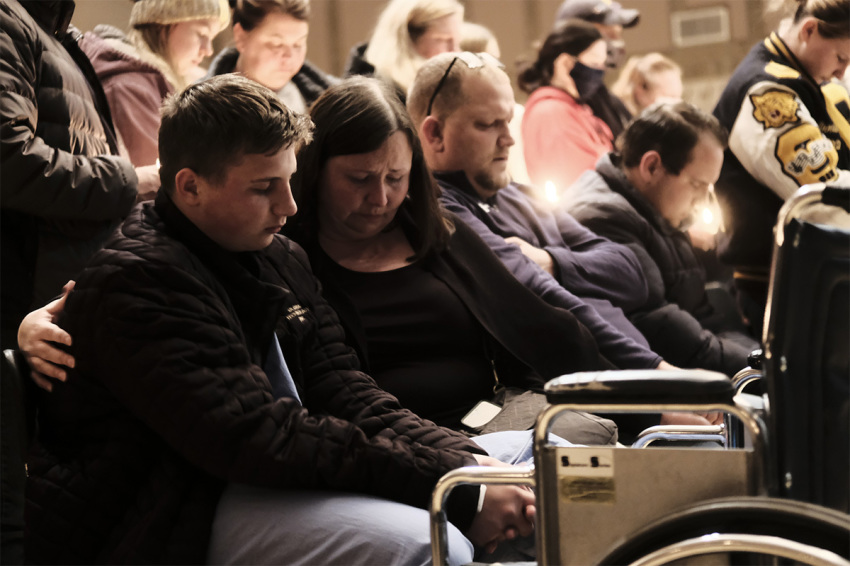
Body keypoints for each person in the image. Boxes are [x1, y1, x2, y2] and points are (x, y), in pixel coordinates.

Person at [23, 74, 535, 565]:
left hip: (262, 473)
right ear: (189, 186)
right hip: (176, 504)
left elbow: (347, 390)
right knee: (431, 541)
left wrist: (461, 465)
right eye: (265, 187)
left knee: (545, 459)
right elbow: (262, 439)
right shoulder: (140, 280)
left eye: (289, 181)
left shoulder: (278, 255)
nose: (289, 205)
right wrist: (454, 486)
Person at [281, 76, 618, 445]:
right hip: (393, 446)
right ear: (314, 171)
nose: (379, 198)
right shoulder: (287, 260)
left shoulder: (439, 233)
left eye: (396, 178)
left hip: (500, 422)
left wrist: (647, 402)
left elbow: (543, 327)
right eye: (359, 179)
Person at [408, 52, 722, 439]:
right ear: (434, 133)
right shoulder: (444, 211)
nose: (508, 139)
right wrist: (655, 385)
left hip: (632, 375)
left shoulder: (520, 196)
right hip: (593, 394)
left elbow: (633, 273)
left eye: (508, 121)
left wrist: (553, 261)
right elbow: (546, 304)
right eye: (487, 124)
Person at [0, 0, 159, 351]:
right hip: (24, 305)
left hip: (57, 297)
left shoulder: (52, 32)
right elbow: (9, 160)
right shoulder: (9, 20)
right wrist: (136, 179)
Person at [562, 102, 758, 377]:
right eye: (698, 185)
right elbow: (672, 337)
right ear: (652, 166)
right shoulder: (604, 218)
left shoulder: (652, 207)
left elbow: (701, 316)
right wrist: (764, 368)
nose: (703, 201)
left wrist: (759, 355)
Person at [712, 0, 850, 334]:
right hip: (781, 282)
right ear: (809, 30)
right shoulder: (767, 91)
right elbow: (821, 196)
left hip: (817, 272)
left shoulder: (811, 80)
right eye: (840, 58)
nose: (842, 72)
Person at [78, 0, 230, 167]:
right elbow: (155, 182)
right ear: (162, 23)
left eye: (211, 39)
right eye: (202, 34)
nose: (208, 50)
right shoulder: (131, 86)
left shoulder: (149, 81)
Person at [518, 20, 614, 192]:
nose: (599, 72)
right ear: (564, 64)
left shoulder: (571, 108)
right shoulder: (551, 114)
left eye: (602, 65)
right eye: (593, 65)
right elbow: (583, 184)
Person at [206, 0, 336, 115]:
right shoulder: (202, 109)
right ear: (241, 37)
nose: (289, 57)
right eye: (276, 44)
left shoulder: (331, 99)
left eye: (298, 44)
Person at [555, 0, 639, 138]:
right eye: (609, 35)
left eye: (618, 35)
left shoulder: (607, 99)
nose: (617, 43)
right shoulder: (558, 106)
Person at [343, 0, 463, 95]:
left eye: (457, 42)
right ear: (409, 39)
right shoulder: (375, 93)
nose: (455, 51)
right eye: (443, 40)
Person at [611, 52, 683, 116]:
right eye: (670, 97)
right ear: (640, 92)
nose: (678, 103)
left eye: (678, 97)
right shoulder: (617, 120)